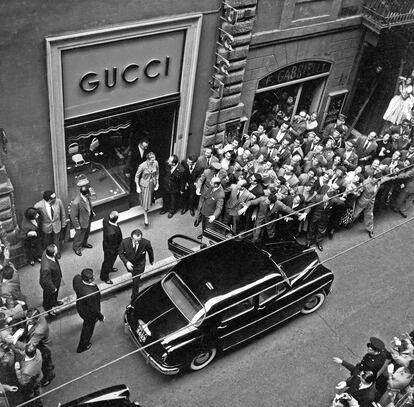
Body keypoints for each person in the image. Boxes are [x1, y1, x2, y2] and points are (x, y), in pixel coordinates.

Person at [72, 268, 104, 353]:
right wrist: (101, 317)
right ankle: (82, 346)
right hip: (89, 314)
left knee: (87, 326)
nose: (94, 277)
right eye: (93, 276)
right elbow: (94, 309)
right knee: (87, 329)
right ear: (89, 280)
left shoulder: (77, 279)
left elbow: (75, 282)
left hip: (80, 307)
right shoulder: (90, 294)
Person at [118, 229, 154, 303]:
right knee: (133, 275)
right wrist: (126, 262)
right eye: (135, 240)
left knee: (135, 282)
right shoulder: (124, 242)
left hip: (139, 266)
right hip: (129, 264)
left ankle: (134, 299)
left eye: (139, 240)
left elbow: (150, 251)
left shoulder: (146, 242)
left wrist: (151, 260)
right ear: (131, 238)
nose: (137, 242)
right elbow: (120, 253)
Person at [23, 309, 55, 388]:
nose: (28, 322)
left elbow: (30, 345)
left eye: (30, 321)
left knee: (44, 363)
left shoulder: (39, 330)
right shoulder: (35, 315)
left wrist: (15, 342)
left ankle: (48, 378)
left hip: (42, 346)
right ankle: (50, 367)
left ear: (36, 319)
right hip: (39, 343)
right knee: (46, 362)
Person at [135, 151, 159, 226]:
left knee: (149, 198)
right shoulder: (142, 166)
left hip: (153, 183)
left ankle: (146, 204)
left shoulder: (156, 163)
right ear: (148, 160)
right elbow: (136, 176)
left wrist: (157, 183)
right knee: (146, 201)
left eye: (154, 159)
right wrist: (137, 186)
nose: (153, 161)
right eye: (152, 160)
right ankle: (146, 216)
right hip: (145, 184)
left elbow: (157, 172)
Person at [70, 185, 95, 256]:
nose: (90, 194)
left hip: (88, 218)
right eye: (89, 193)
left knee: (86, 233)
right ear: (86, 194)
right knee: (79, 236)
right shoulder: (76, 202)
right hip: (81, 222)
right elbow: (73, 216)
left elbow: (88, 205)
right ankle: (76, 248)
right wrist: (77, 226)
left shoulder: (86, 197)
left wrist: (91, 212)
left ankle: (84, 243)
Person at [39, 244, 63, 316]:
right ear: (54, 254)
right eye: (56, 250)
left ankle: (54, 302)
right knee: (48, 296)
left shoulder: (45, 253)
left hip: (55, 279)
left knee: (54, 295)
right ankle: (48, 309)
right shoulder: (46, 268)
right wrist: (53, 288)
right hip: (50, 284)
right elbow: (45, 280)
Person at [99, 211, 122, 285]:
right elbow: (113, 244)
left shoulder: (105, 221)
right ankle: (104, 277)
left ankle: (110, 268)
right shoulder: (112, 233)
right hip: (111, 249)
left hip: (106, 245)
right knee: (107, 262)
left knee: (110, 261)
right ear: (117, 219)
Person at [125, 138, 149, 204]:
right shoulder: (133, 150)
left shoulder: (146, 150)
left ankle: (140, 199)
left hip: (142, 172)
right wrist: (127, 171)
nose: (145, 148)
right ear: (140, 144)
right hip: (134, 171)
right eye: (144, 147)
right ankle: (132, 200)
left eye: (146, 147)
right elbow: (128, 161)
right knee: (133, 185)